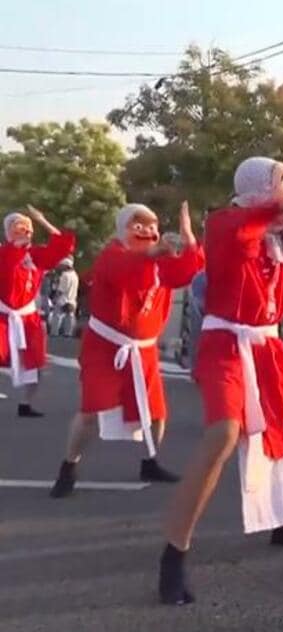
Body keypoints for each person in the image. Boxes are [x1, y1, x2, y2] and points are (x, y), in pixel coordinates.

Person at [157, 150, 283, 606]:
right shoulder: (228, 224)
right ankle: (173, 553)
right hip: (226, 344)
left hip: (269, 347)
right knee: (223, 435)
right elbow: (241, 233)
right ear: (260, 189)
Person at [48, 203, 202, 497]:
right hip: (106, 347)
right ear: (123, 229)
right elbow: (124, 270)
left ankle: (150, 460)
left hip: (143, 350)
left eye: (152, 226)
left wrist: (189, 239)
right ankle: (68, 466)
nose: (148, 232)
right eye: (139, 226)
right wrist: (155, 253)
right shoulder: (112, 255)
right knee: (92, 410)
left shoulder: (161, 260)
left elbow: (184, 274)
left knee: (156, 412)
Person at [1, 206, 76, 417]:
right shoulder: (3, 253)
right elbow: (7, 268)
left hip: (28, 317)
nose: (25, 231)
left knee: (36, 362)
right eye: (19, 227)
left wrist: (43, 221)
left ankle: (26, 403)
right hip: (4, 316)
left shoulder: (36, 255)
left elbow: (62, 247)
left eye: (28, 228)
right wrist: (16, 248)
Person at [50, 257, 79, 337]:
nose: (60, 267)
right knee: (69, 317)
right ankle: (68, 333)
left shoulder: (65, 275)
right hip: (72, 299)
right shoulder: (75, 275)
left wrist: (55, 298)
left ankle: (54, 333)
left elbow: (61, 289)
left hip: (63, 299)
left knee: (57, 316)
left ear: (66, 266)